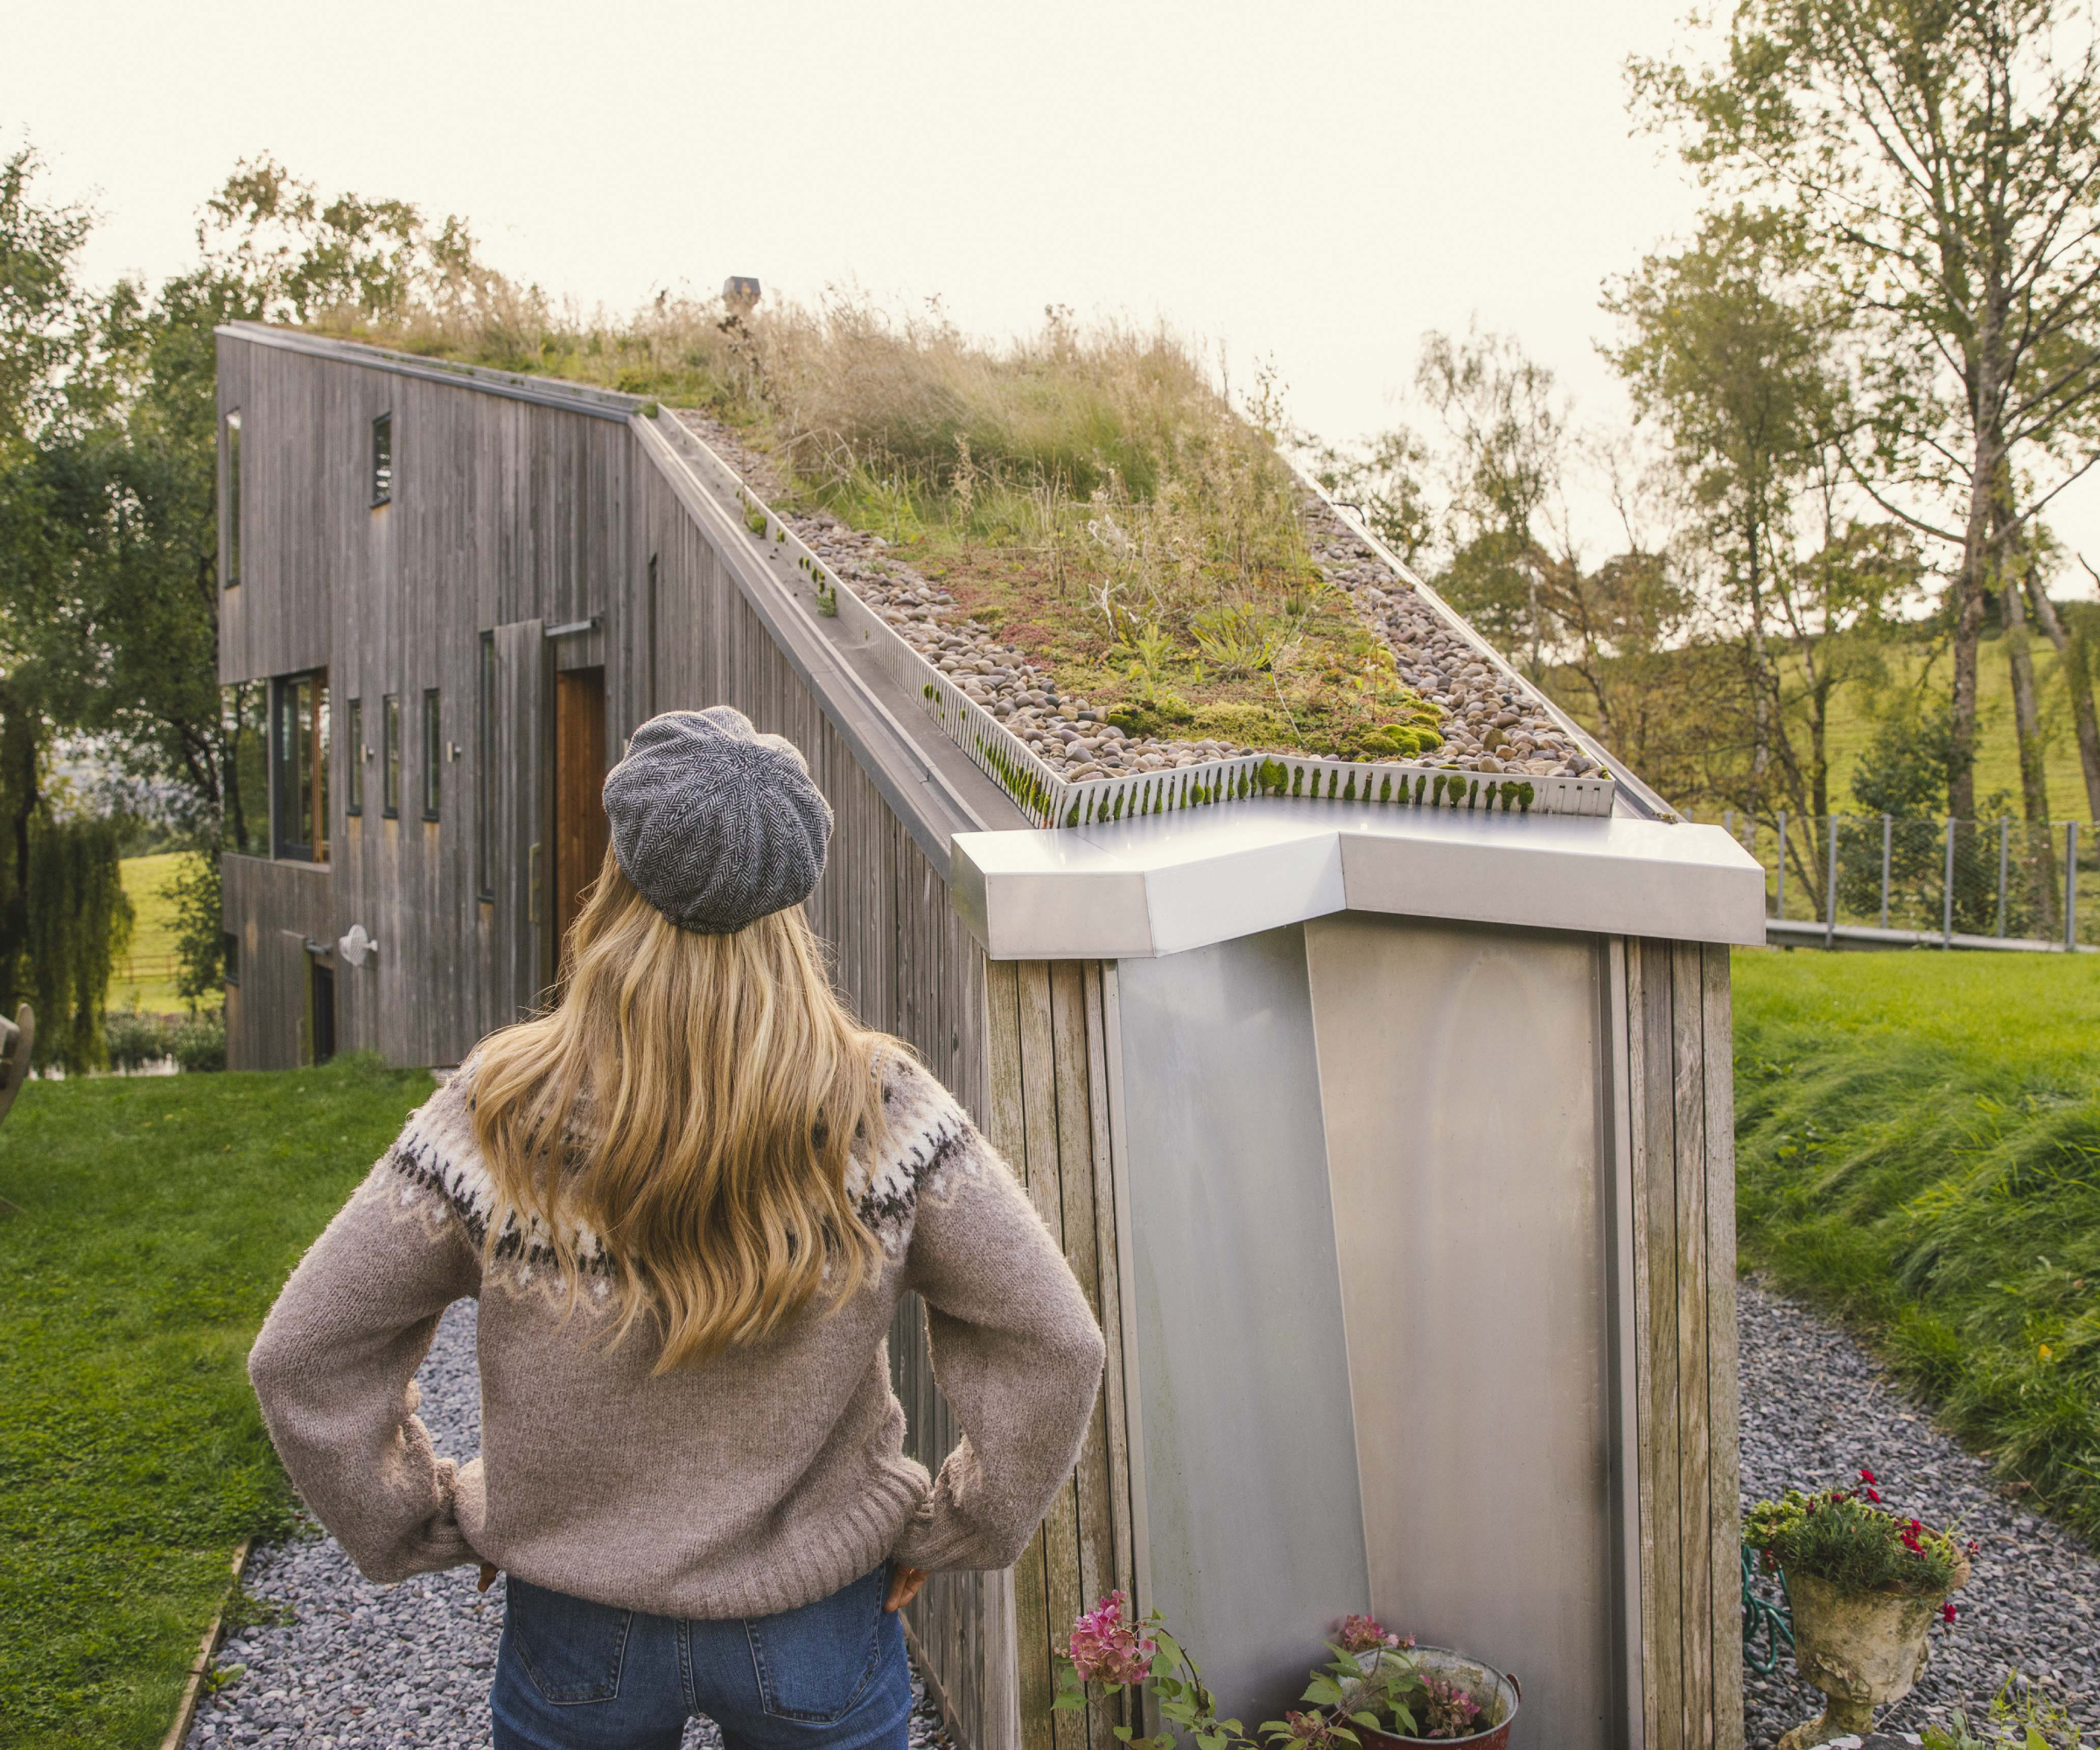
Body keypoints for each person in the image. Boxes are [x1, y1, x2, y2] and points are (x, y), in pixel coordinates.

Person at [249, 706, 1107, 1750]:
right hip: (817, 1623)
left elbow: (306, 1349)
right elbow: (1054, 1339)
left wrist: (418, 1514)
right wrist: (959, 1519)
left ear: (617, 876)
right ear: (791, 901)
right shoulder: (879, 1107)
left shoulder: (502, 1110)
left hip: (576, 1626)